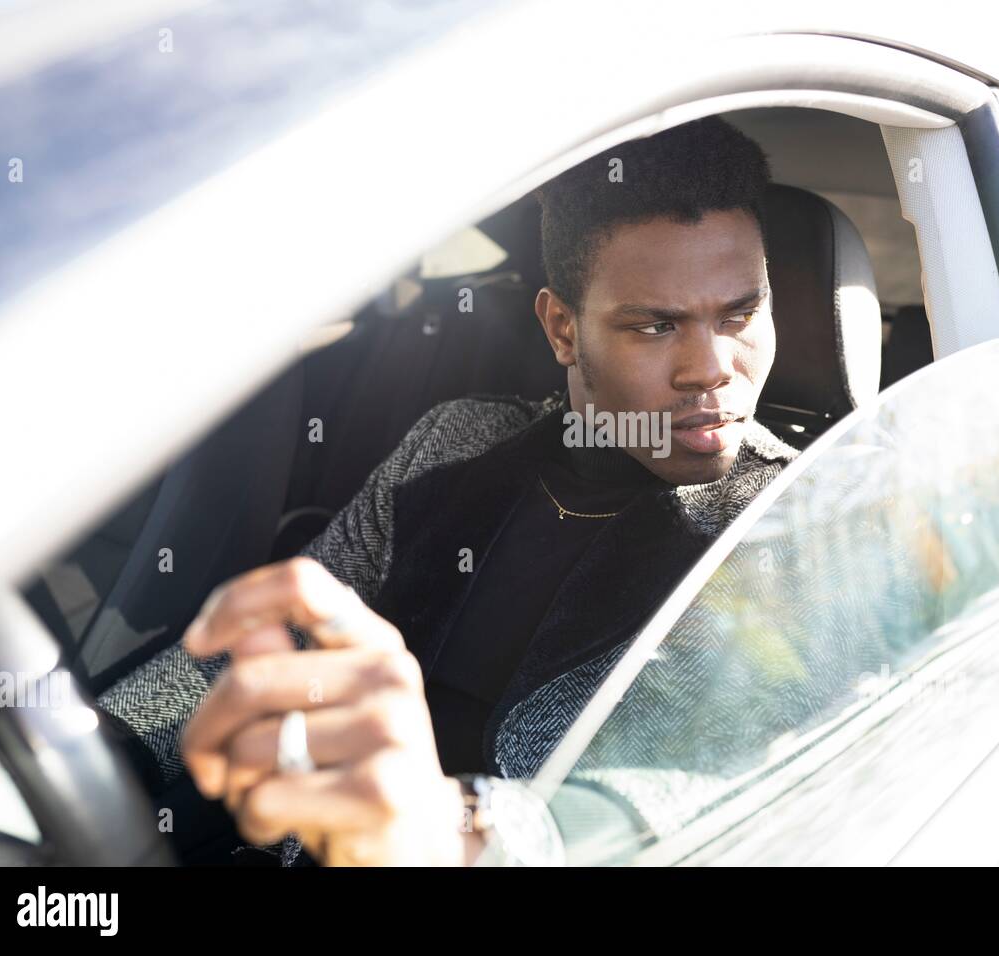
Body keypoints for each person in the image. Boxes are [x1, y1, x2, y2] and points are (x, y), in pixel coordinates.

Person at [96, 116, 798, 866]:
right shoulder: (455, 444)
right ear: (563, 329)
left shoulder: (795, 525)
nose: (712, 367)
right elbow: (261, 653)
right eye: (655, 326)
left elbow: (717, 788)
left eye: (741, 313)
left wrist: (459, 835)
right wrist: (96, 750)